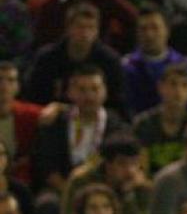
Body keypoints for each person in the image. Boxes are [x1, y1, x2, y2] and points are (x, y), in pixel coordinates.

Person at [33, 63, 129, 196]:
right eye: (82, 90)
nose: (89, 96)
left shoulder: (116, 125)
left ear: (105, 91)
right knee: (47, 204)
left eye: (95, 89)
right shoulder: (56, 122)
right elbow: (47, 167)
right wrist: (70, 192)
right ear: (70, 92)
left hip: (106, 190)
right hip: (62, 189)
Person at [25, 3, 126, 112]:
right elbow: (33, 98)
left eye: (91, 27)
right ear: (68, 29)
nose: (85, 33)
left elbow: (117, 103)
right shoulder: (47, 58)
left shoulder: (110, 61)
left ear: (97, 31)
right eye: (80, 27)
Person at [57, 136, 150, 214]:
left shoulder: (139, 184)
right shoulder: (82, 180)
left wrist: (128, 196)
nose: (130, 170)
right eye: (122, 164)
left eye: (134, 163)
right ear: (108, 164)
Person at [133, 64, 187, 176]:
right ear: (160, 87)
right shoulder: (144, 124)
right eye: (173, 84)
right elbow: (140, 170)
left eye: (185, 85)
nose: (178, 92)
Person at [0, 64, 42, 188]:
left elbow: (66, 111)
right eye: (0, 80)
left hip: (22, 181)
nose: (4, 86)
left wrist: (57, 108)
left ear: (18, 86)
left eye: (11, 80)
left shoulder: (29, 114)